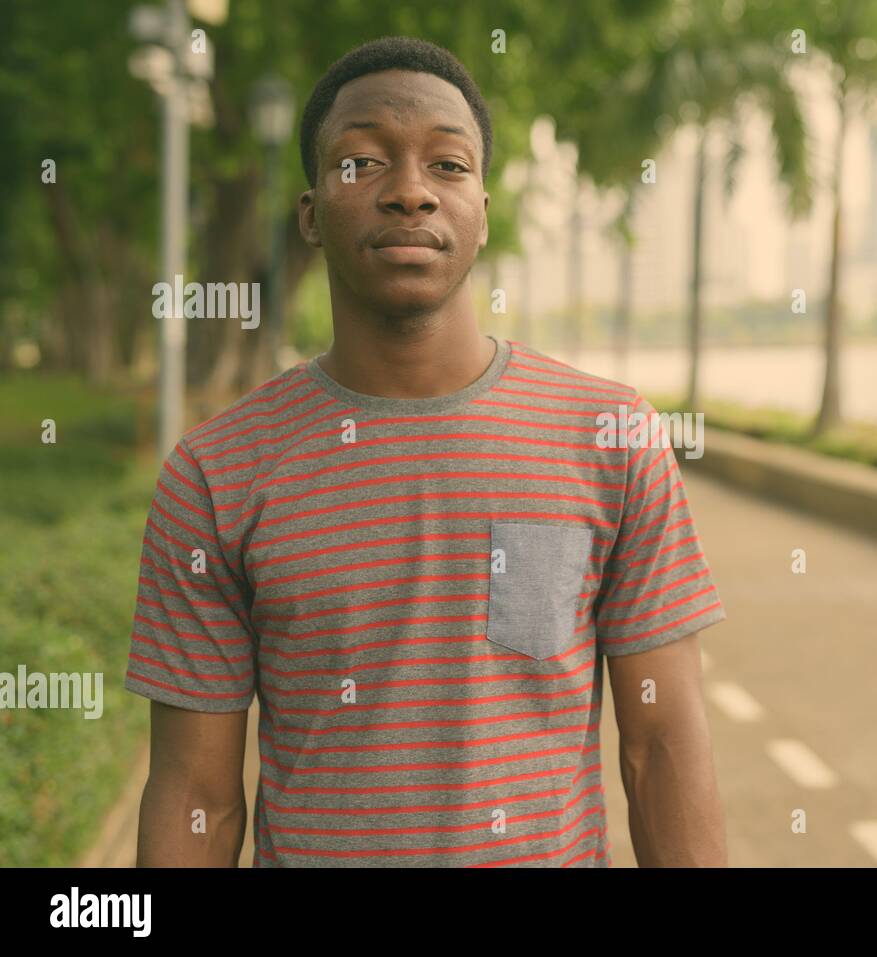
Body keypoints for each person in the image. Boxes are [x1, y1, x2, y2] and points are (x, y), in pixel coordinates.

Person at [126, 36, 727, 868]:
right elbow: (196, 793)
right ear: (309, 213)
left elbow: (660, 742)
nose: (409, 192)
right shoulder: (216, 473)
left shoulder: (610, 434)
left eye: (447, 166)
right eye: (363, 162)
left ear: (482, 208)